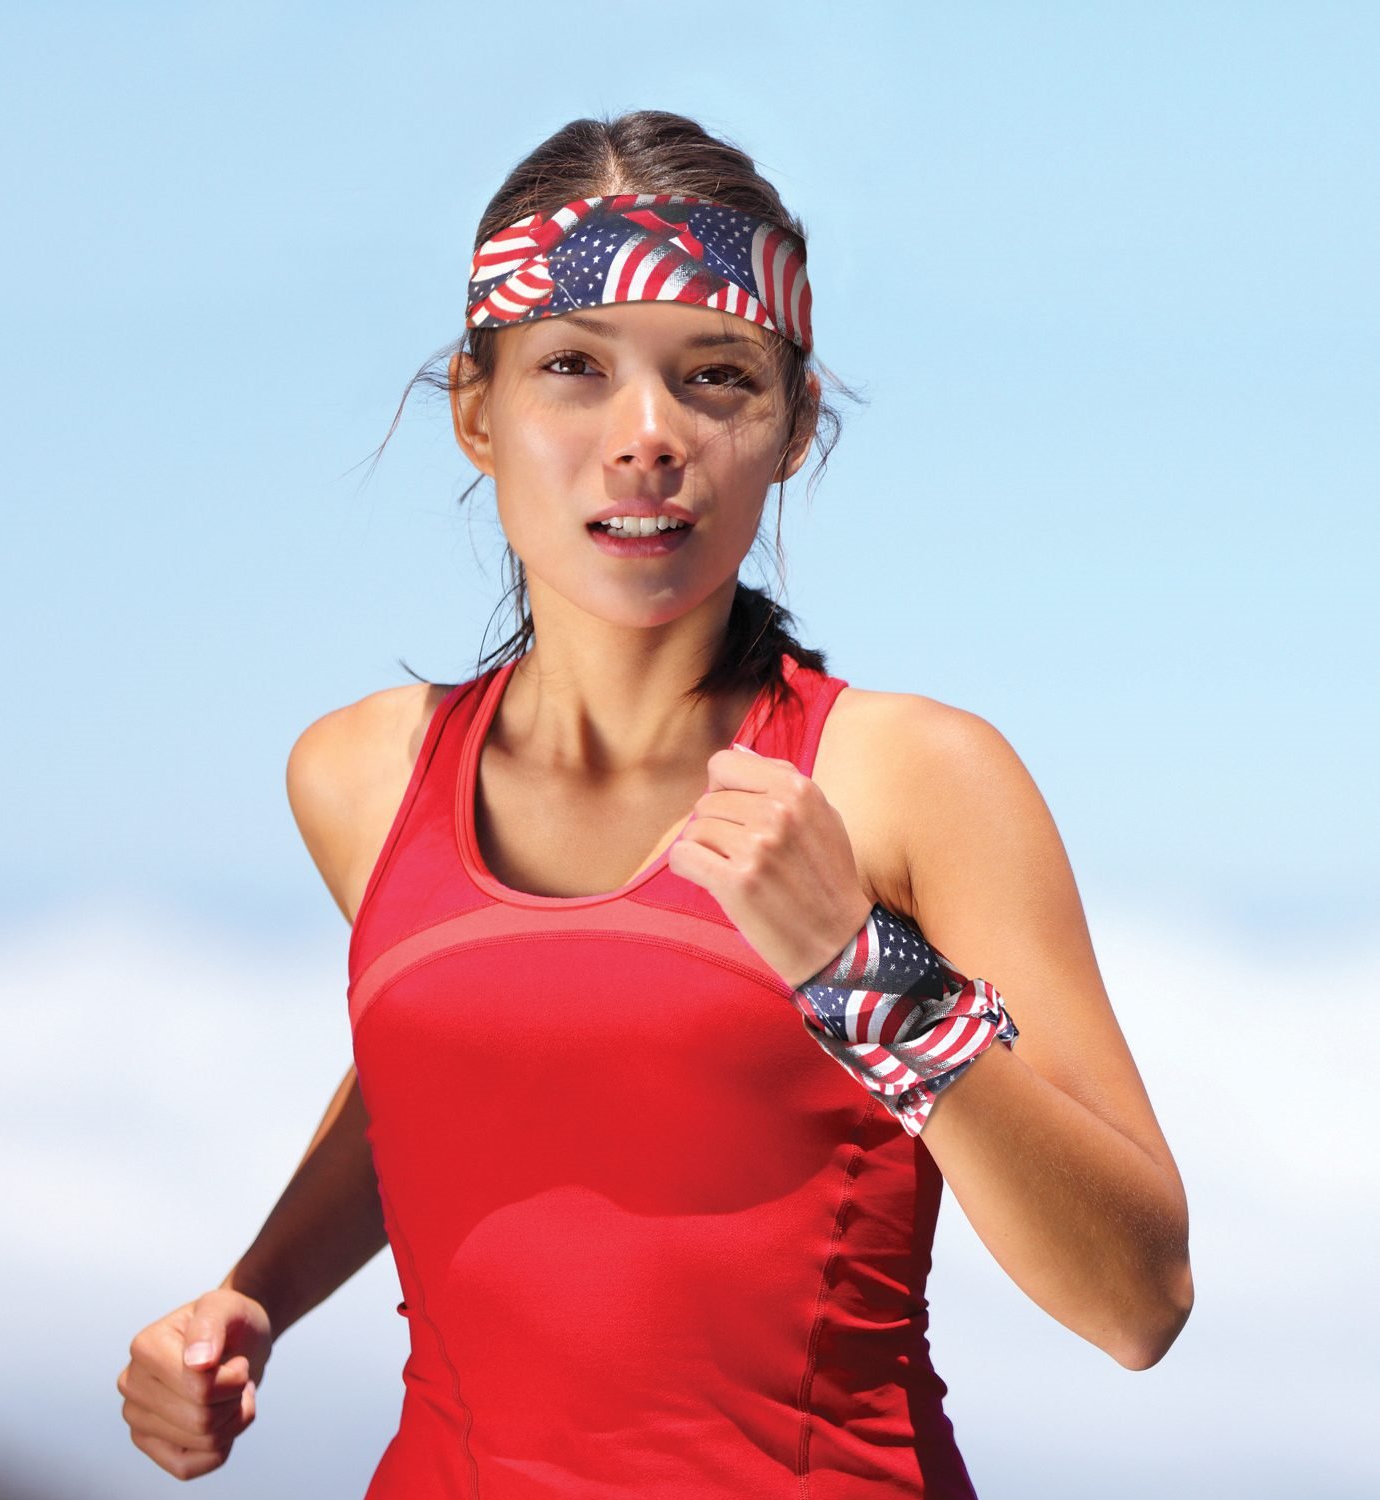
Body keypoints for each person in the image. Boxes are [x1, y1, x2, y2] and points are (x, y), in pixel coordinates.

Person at [116, 109, 1193, 1497]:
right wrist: (253, 1296)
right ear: (475, 411)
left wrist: (858, 970)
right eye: (573, 368)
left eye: (714, 377)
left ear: (794, 425)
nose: (646, 439)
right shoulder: (359, 775)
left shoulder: (907, 777)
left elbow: (1136, 1300)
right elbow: (457, 1076)